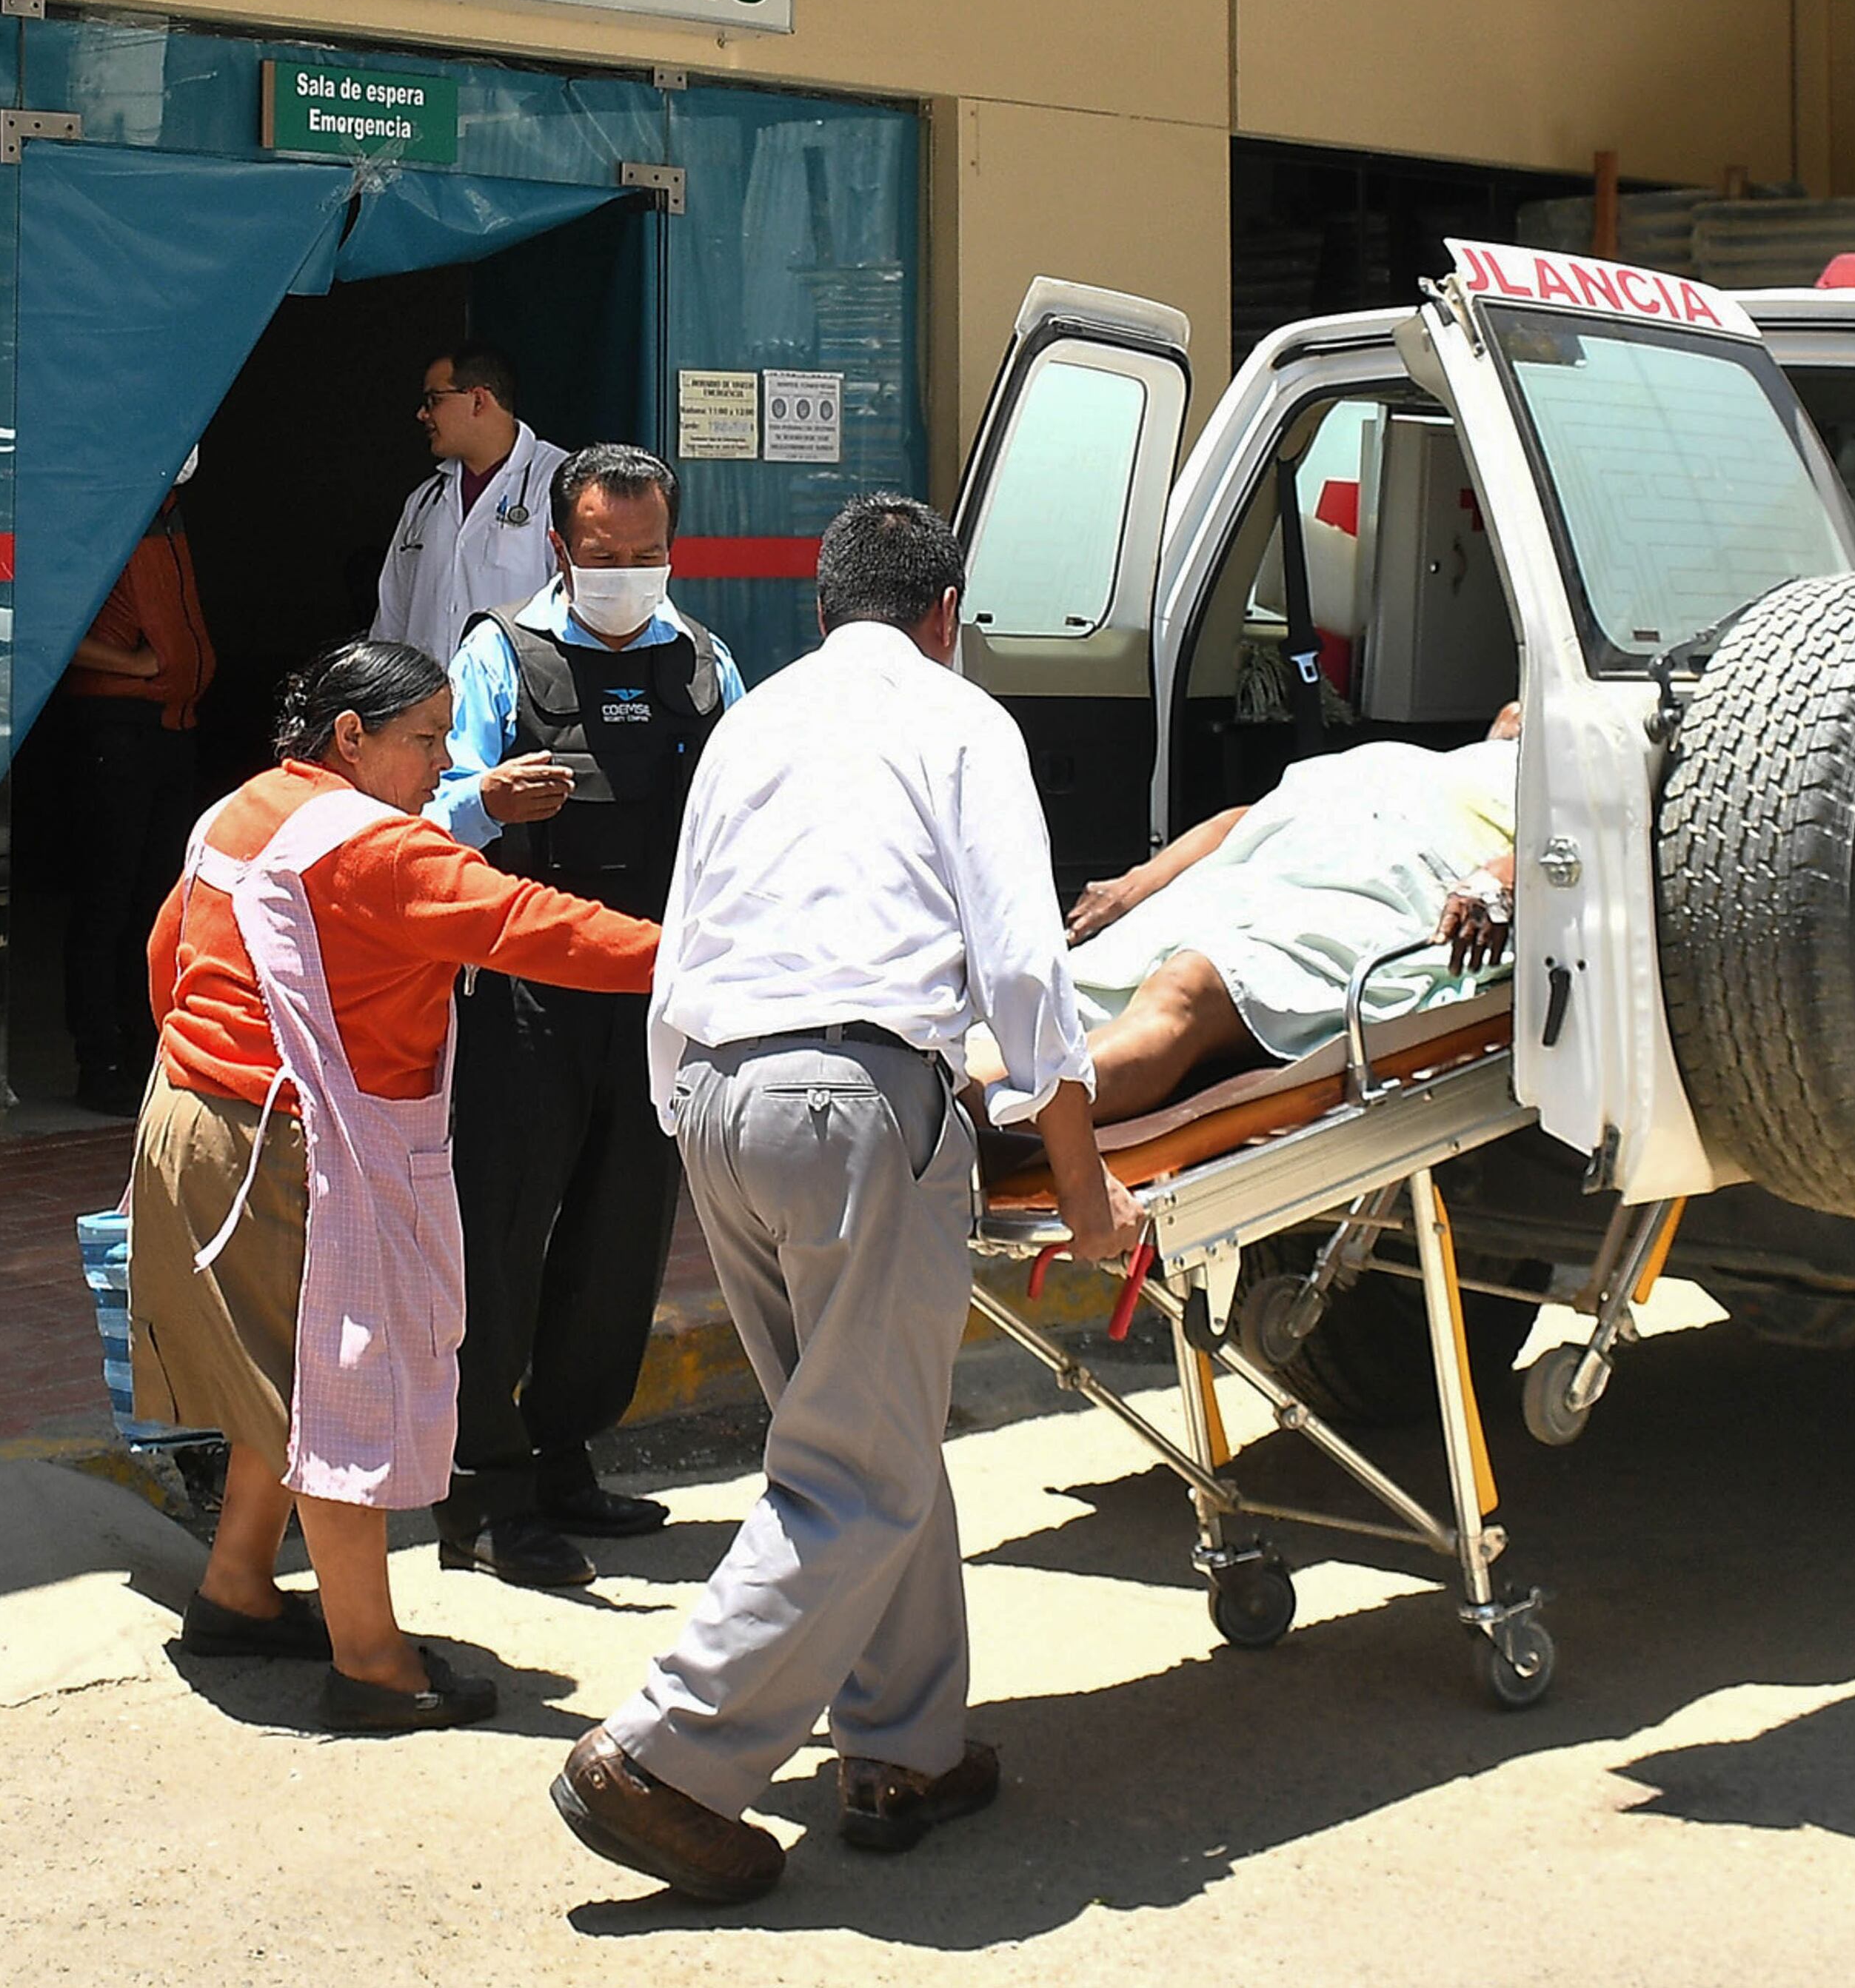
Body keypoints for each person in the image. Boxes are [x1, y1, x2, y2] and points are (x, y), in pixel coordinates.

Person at [550, 494, 1140, 1907]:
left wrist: (692, 1114)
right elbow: (1025, 975)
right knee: (856, 1468)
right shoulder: (958, 719)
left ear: (822, 611)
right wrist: (1088, 1189)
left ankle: (905, 1744)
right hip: (858, 1105)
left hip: (719, 1101)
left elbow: (685, 929)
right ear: (947, 618)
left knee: (860, 1437)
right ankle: (664, 1753)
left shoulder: (754, 718)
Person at [124, 638, 658, 1733]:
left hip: (196, 1120)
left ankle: (234, 1589)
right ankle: (370, 1661)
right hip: (279, 1145)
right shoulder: (376, 848)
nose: (442, 762)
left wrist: (206, 1069)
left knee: (281, 1387)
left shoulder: (244, 808)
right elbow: (532, 926)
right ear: (353, 737)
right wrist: (707, 953)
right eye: (424, 739)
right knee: (336, 1398)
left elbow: (166, 947)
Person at [423, 444, 742, 1590]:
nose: (625, 573)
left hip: (654, 1005)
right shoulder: (499, 655)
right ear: (560, 548)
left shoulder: (708, 666)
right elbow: (427, 817)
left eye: (647, 555)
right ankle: (487, 1495)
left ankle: (564, 1461)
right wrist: (486, 798)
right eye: (603, 556)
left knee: (619, 1243)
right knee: (500, 1246)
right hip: (527, 1006)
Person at [1035, 705, 1523, 1124]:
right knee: (1066, 991)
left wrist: (1503, 876)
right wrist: (1136, 884)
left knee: (1191, 981)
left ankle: (1018, 1122)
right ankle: (964, 1095)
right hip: (1276, 857)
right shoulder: (1413, 766)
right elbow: (1246, 820)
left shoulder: (1554, 794)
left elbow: (1571, 856)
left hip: (1388, 883)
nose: (1523, 712)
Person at [49, 446, 215, 1116]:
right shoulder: (101, 514)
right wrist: (134, 664)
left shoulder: (164, 511)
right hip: (116, 724)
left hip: (174, 722)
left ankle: (146, 1046)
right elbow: (46, 626)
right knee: (107, 900)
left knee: (157, 900)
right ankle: (102, 1058)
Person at [371, 345, 567, 666]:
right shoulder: (424, 502)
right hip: (429, 705)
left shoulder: (561, 484)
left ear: (478, 400)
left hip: (522, 703)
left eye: (435, 400)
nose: (423, 414)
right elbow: (391, 618)